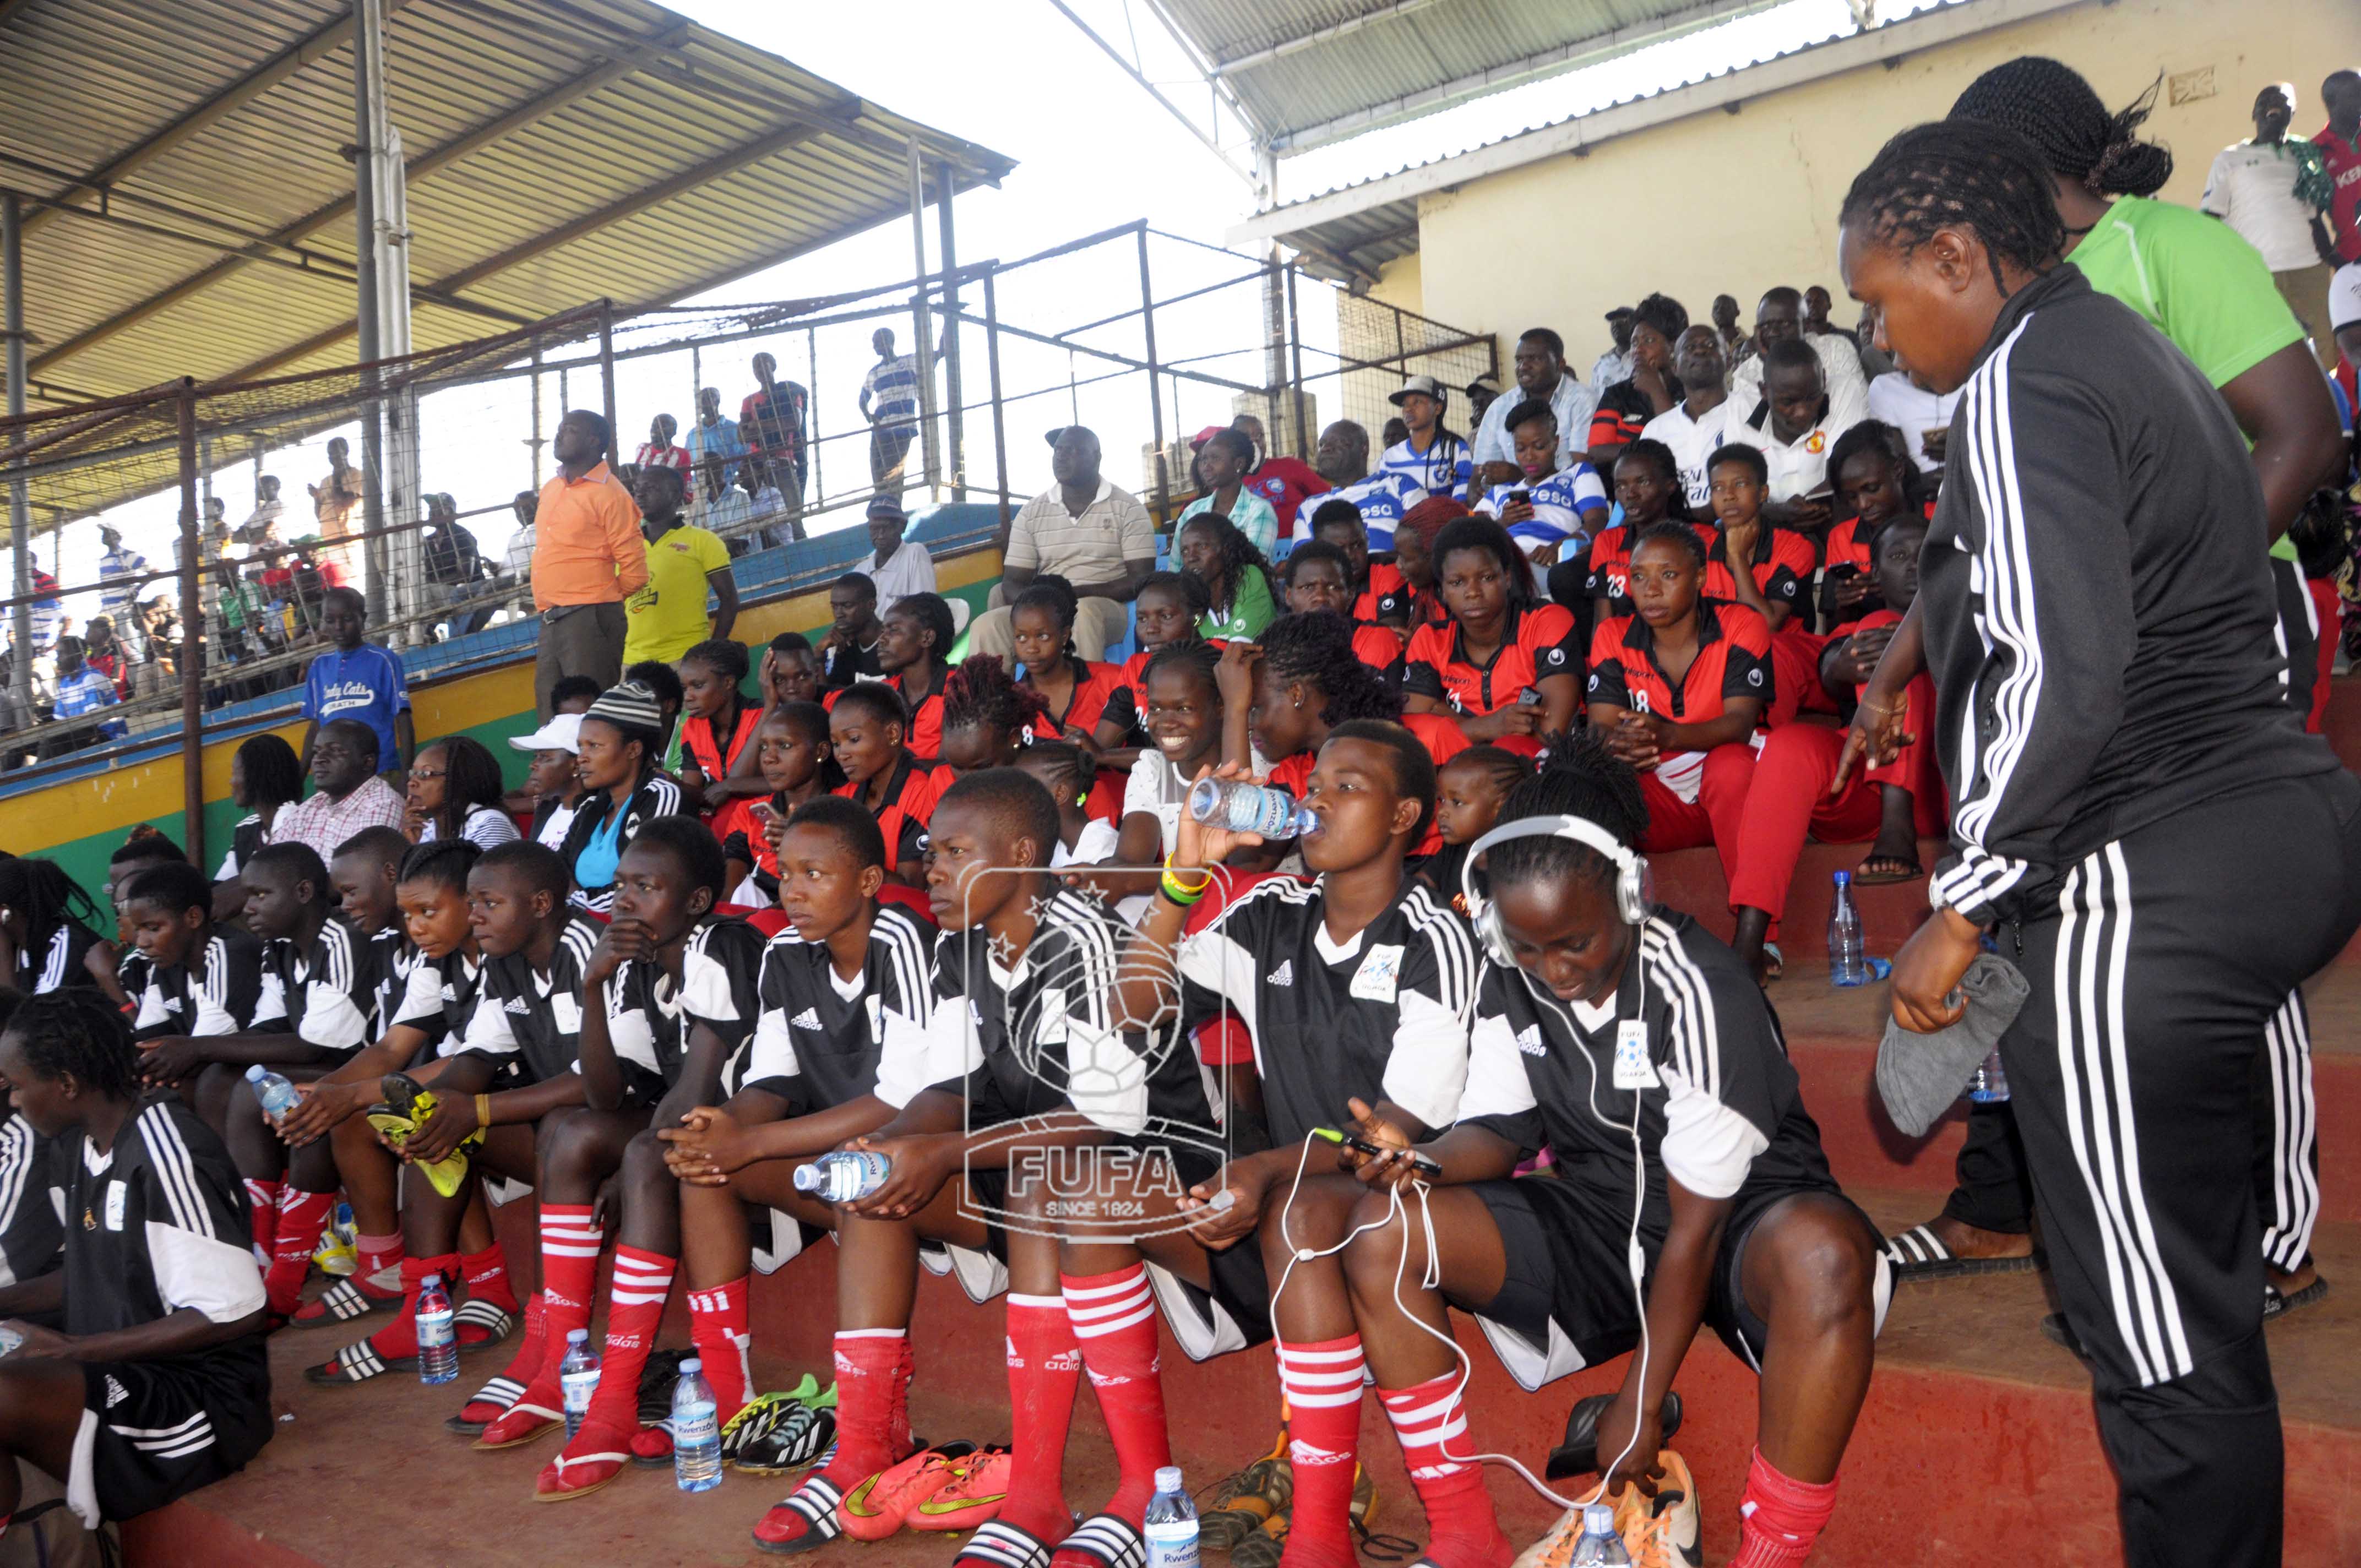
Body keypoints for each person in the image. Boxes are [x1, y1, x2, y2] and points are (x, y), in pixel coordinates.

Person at [1839, 118, 2361, 1565]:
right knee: (2183, 1280)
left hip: (2144, 868)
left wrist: (1966, 899)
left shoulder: (2019, 385)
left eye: (1886, 300)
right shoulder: (2125, 349)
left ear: (1958, 255)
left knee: (2152, 1333)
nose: (1885, 338)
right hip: (2272, 813)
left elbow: (2063, 668)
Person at [1300, 732, 1883, 1568]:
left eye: (1573, 943)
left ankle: (1773, 1553)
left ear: (1629, 895)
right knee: (1383, 1226)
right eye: (1529, 947)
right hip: (1608, 1214)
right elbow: (1500, 1132)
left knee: (1824, 1254)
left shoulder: (1701, 987)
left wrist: (1641, 1399)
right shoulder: (1513, 971)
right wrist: (1419, 1160)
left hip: (1743, 1226)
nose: (1555, 971)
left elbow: (1695, 1226)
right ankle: (1463, 1531)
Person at [744, 769, 1220, 1564]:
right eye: (930, 853)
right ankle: (863, 1448)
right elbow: (954, 1084)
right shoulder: (963, 942)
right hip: (1039, 1179)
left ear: (1023, 856)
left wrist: (944, 1152)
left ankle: (1040, 1493)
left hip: (1167, 1184)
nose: (931, 869)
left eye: (956, 853)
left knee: (1046, 1176)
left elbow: (1105, 1118)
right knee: (873, 1191)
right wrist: (897, 1143)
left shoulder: (1088, 940)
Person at [1096, 720, 1475, 1550]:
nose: (1318, 801)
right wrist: (1185, 877)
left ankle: (1321, 1527)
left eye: (1349, 787)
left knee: (1295, 1212)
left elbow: (1392, 1135)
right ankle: (1140, 1488)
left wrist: (1265, 1170)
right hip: (1292, 1191)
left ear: (1407, 814)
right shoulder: (1272, 911)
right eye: (1315, 787)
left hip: (1407, 1196)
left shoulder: (1436, 935)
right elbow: (1131, 1009)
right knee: (1094, 1194)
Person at [655, 798, 942, 1458]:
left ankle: (872, 1429)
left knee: (835, 1172)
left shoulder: (901, 942)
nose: (794, 891)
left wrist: (750, 1141)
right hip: (826, 1156)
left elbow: (899, 1099)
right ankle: (728, 1398)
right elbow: (775, 1081)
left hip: (913, 1160)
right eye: (786, 874)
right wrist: (723, 1126)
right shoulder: (784, 951)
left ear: (868, 882)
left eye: (815, 874)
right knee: (705, 1170)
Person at [307, 842, 600, 1403]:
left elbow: (602, 1080)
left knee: (487, 1120)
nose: (475, 915)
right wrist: (421, 1107)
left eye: (482, 901)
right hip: (545, 1120)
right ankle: (424, 1305)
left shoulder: (577, 947)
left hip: (607, 1125)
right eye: (473, 902)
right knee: (429, 1119)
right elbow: (469, 1057)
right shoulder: (501, 958)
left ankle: (537, 1335)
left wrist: (471, 1108)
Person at [531, 819, 766, 1498]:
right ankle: (560, 1359)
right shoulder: (637, 966)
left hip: (766, 1132)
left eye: (647, 887)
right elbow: (606, 1093)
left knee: (642, 1153)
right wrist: (594, 987)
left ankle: (614, 1397)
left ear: (694, 901)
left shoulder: (722, 944)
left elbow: (696, 1093)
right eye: (621, 885)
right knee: (576, 1132)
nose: (625, 901)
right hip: (702, 1139)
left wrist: (628, 1168)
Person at [0, 992, 274, 1535]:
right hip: (113, 1367)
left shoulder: (168, 1151)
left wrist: (74, 1348)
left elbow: (235, 1312)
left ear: (67, 1083)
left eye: (16, 1084)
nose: (12, 1101)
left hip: (200, 1402)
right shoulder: (71, 1145)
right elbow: (88, 1272)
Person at [269, 840, 516, 1334]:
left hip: (509, 1100)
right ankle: (380, 1267)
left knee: (423, 1121)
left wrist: (356, 1095)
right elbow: (390, 1050)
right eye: (408, 915)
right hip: (467, 1092)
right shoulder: (438, 959)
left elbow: (468, 1066)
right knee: (355, 1114)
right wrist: (324, 1093)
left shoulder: (504, 957)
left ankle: (486, 1286)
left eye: (429, 911)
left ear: (472, 902)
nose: (416, 926)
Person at [1728, 514, 1939, 981]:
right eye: (1898, 557)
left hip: (1944, 787)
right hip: (1863, 790)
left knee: (1899, 637)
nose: (1913, 567)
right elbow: (1827, 669)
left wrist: (1919, 648)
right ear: (1875, 573)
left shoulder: (1980, 620)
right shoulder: (1863, 625)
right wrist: (1845, 665)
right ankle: (1751, 937)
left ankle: (1897, 825)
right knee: (1789, 744)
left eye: (1925, 551)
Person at [198, 840, 387, 1319]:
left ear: (304, 892)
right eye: (247, 895)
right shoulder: (279, 950)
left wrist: (197, 1046)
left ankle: (282, 1276)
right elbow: (269, 1025)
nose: (250, 907)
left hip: (361, 1066)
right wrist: (206, 1055)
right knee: (223, 1078)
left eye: (261, 895)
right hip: (325, 1062)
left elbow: (318, 1045)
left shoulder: (342, 938)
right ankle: (255, 1256)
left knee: (281, 1095)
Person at [1586, 522, 1770, 903]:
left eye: (1668, 575)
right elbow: (1600, 726)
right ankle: (1617, 919)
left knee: (1732, 765)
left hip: (1733, 798)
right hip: (1658, 802)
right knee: (1592, 777)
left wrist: (1666, 735)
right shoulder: (1613, 634)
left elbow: (1740, 723)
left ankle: (1760, 933)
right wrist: (1622, 744)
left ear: (1701, 576)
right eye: (1639, 576)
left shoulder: (1739, 623)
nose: (1651, 590)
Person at [1403, 517, 1581, 754]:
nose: (1473, 592)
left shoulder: (1545, 622)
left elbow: (1548, 732)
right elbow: (1415, 737)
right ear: (1443, 591)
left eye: (1487, 578)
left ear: (1507, 578)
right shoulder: (1430, 639)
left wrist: (1448, 718)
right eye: (1457, 582)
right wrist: (1489, 726)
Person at [2204, 83, 2341, 368]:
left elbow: (2314, 216)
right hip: (2259, 271)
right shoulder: (2230, 158)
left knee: (2326, 351)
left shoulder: (2306, 156)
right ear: (2254, 114)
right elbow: (2210, 219)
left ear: (2293, 113)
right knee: (2266, 351)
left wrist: (2334, 260)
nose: (2273, 104)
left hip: (2309, 269)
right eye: (2264, 101)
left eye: (2282, 101)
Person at [530, 410, 648, 720]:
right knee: (550, 717)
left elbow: (635, 572)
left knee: (590, 717)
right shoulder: (552, 488)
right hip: (550, 618)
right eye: (560, 428)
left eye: (569, 429)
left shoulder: (611, 493)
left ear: (594, 441)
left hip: (589, 616)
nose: (559, 434)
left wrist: (597, 602)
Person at [1700, 443, 1820, 724]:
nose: (1728, 496)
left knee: (1769, 648)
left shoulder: (1795, 547)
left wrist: (1738, 557)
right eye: (1718, 488)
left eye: (1740, 484)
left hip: (1786, 662)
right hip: (1722, 661)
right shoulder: (1700, 548)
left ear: (1763, 493)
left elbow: (1766, 625)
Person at [559, 681, 687, 913]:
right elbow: (556, 869)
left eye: (594, 746)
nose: (582, 758)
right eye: (581, 747)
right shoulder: (590, 807)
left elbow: (634, 891)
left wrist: (574, 902)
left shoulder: (661, 797)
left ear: (633, 750)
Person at [1561, 439, 1709, 626]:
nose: (1630, 494)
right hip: (1623, 652)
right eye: (1621, 486)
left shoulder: (1702, 540)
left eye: (1643, 482)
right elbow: (1604, 626)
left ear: (1670, 485)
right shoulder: (1608, 541)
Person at [719, 701, 842, 902]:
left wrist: (802, 844)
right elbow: (730, 894)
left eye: (785, 746)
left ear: (821, 752)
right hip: (748, 922)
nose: (769, 758)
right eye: (763, 747)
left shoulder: (845, 808)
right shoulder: (749, 812)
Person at [1731, 338, 1856, 535]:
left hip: (1828, 527)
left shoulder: (1842, 392)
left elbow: (1847, 471)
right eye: (1788, 402)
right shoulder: (1739, 411)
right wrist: (1778, 513)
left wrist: (1806, 508)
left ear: (1823, 379)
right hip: (1768, 534)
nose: (1802, 412)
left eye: (1813, 397)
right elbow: (1734, 494)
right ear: (1764, 391)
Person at [620, 464, 737, 669]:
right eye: (637, 488)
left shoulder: (703, 541)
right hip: (631, 663)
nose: (640, 493)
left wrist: (711, 654)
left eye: (651, 488)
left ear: (674, 495)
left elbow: (729, 600)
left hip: (685, 659)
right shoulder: (626, 546)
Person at [829, 684, 942, 886]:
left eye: (853, 739)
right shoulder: (846, 795)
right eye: (836, 744)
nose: (842, 754)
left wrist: (839, 854)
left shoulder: (921, 792)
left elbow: (911, 890)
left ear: (893, 733)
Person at [1470, 400, 1607, 564]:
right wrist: (1503, 523)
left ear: (1555, 443)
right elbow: (1472, 536)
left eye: (1539, 446)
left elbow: (1598, 522)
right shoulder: (1500, 492)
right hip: (1503, 563)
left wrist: (1558, 548)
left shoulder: (1577, 475)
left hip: (1550, 564)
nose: (1529, 456)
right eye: (1520, 449)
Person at [1010, 580, 1136, 754]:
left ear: (1064, 635)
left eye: (1043, 636)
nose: (1031, 648)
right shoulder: (1011, 700)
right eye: (1021, 638)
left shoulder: (1112, 680)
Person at [1470, 330, 1596, 503]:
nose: (1523, 366)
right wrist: (1480, 498)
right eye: (1519, 360)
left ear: (1560, 364)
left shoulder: (1583, 400)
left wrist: (1520, 476)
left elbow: (1583, 474)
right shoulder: (1500, 408)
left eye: (1535, 359)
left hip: (1565, 505)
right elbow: (1478, 476)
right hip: (1506, 508)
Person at [1727, 286, 1868, 432]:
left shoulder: (1836, 349)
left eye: (1784, 324)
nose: (1774, 332)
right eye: (1765, 326)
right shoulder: (1746, 373)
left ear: (1806, 324)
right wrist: (1768, 363)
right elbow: (1756, 431)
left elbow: (1861, 406)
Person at [274, 718, 407, 865]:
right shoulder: (313, 805)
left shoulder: (382, 804)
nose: (319, 759)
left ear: (368, 762)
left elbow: (356, 876)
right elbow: (274, 864)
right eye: (317, 751)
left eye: (336, 751)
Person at [0, 858, 129, 1005]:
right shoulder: (22, 950)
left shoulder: (66, 943)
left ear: (5, 913)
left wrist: (2, 951)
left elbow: (33, 1024)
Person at [1416, 745, 1533, 906]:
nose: (1443, 811)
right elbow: (1420, 888)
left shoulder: (1515, 867)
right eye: (1441, 800)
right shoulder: (1453, 850)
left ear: (1500, 806)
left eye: (1457, 802)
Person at [1586, 293, 1689, 471]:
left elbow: (1681, 444)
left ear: (1673, 346)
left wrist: (1657, 391)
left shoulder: (1689, 390)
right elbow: (1597, 450)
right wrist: (1649, 453)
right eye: (1634, 342)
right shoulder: (1617, 394)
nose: (1638, 350)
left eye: (1649, 341)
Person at [1276, 543, 1406, 682]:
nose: (1321, 597)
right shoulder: (1276, 647)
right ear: (1289, 596)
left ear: (1350, 596)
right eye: (1308, 587)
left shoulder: (1376, 641)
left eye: (1333, 587)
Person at [213, 732, 304, 919]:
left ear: (257, 776)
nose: (231, 782)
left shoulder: (296, 820)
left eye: (235, 773)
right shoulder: (246, 829)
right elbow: (221, 883)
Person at [1640, 326, 1732, 509]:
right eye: (1690, 347)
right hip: (1673, 532)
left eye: (1711, 345)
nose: (1700, 350)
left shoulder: (1751, 412)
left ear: (1729, 361)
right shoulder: (1655, 430)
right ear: (1675, 367)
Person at [1300, 420, 1422, 551]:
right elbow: (1305, 563)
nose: (1326, 448)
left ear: (1364, 448)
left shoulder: (1400, 485)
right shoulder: (1309, 506)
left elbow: (1425, 538)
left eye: (1339, 442)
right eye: (1321, 445)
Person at [1176, 511, 1278, 641]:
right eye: (1185, 551)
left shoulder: (1249, 578)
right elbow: (1187, 636)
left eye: (1202, 546)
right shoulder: (1192, 598)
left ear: (1226, 549)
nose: (1191, 558)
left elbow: (1238, 653)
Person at [407, 736, 521, 850]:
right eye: (413, 773)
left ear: (459, 780)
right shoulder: (426, 829)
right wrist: (413, 846)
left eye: (424, 774)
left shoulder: (488, 823)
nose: (411, 783)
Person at [1180, 428, 1282, 556]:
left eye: (1215, 459)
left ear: (1239, 464)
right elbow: (1175, 565)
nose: (1206, 466)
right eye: (1203, 459)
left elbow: (1252, 567)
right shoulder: (1191, 512)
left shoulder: (1259, 511)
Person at [879, 593, 956, 759]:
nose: (882, 639)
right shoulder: (883, 694)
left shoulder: (959, 688)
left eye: (893, 630)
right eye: (883, 630)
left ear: (927, 638)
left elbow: (951, 766)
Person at [741, 353, 810, 535]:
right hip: (759, 467)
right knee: (764, 526)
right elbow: (743, 435)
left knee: (794, 518)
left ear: (773, 366)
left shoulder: (789, 391)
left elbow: (794, 424)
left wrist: (757, 425)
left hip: (783, 462)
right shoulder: (749, 401)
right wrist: (774, 426)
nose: (760, 370)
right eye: (756, 367)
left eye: (764, 365)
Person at [1308, 500, 1410, 625]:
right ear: (1320, 550)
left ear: (1366, 539)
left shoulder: (1385, 570)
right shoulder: (1307, 584)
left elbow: (1390, 634)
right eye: (1340, 549)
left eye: (1357, 545)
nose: (1351, 556)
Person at [1230, 413, 1331, 537]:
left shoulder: (1289, 466)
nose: (1256, 441)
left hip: (1301, 542)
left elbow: (1328, 497)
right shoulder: (1229, 481)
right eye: (1246, 437)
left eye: (1260, 435)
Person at [1378, 376, 1472, 500]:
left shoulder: (1456, 449)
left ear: (1438, 408)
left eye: (1417, 402)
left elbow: (1462, 502)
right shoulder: (1389, 458)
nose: (1408, 409)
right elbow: (1385, 502)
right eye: (1405, 404)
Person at [511, 711, 589, 851]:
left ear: (576, 764)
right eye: (536, 756)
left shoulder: (592, 816)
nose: (533, 765)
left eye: (544, 757)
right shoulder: (547, 810)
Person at [1864, 362, 1960, 476]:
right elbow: (1901, 466)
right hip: (1924, 485)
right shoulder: (1886, 387)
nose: (1898, 363)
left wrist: (1960, 452)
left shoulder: (1976, 378)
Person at [860, 327, 924, 488]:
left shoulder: (910, 362)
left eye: (878, 342)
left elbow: (939, 354)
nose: (875, 346)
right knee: (877, 470)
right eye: (874, 343)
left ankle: (893, 505)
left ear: (890, 342)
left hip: (903, 426)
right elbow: (862, 399)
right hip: (882, 427)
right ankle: (882, 503)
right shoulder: (875, 372)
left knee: (893, 472)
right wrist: (869, 416)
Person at [862, 494, 937, 619]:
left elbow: (923, 611)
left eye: (887, 528)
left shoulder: (914, 553)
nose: (880, 535)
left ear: (903, 527)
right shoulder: (862, 570)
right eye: (874, 528)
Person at [2315, 70, 2361, 271]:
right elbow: (2312, 216)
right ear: (2332, 103)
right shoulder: (2315, 152)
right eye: (2356, 94)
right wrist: (2334, 259)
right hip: (2353, 262)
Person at [47, 637, 124, 747]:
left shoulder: (91, 678)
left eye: (61, 654)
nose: (57, 659)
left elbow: (92, 723)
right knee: (26, 744)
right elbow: (60, 720)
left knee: (53, 739)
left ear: (77, 655)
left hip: (107, 736)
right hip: (82, 732)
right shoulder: (65, 683)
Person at [685, 387, 749, 514]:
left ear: (718, 401)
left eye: (708, 398)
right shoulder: (693, 434)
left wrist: (736, 479)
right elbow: (689, 464)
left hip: (729, 487)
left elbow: (745, 456)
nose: (704, 403)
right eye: (701, 400)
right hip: (701, 489)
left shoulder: (733, 428)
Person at [818, 573, 884, 692]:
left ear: (871, 605)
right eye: (834, 607)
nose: (839, 614)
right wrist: (819, 652)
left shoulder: (893, 643)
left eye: (847, 606)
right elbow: (829, 698)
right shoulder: (847, 646)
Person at [308, 436, 363, 578]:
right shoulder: (326, 481)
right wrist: (316, 498)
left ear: (346, 452)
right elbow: (319, 515)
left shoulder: (358, 475)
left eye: (336, 453)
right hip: (330, 541)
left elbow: (346, 502)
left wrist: (338, 478)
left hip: (349, 540)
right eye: (330, 454)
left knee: (354, 583)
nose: (333, 458)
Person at [95, 525, 150, 628]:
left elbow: (153, 572)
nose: (104, 535)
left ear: (118, 536)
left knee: (129, 642)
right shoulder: (104, 560)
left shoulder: (128, 555)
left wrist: (137, 590)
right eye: (104, 533)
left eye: (108, 533)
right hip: (106, 611)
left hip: (123, 608)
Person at [633, 413, 693, 484]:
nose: (654, 430)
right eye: (654, 426)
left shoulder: (681, 454)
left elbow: (686, 482)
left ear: (673, 432)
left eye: (661, 427)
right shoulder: (642, 448)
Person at [1590, 305, 1637, 392]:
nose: (1616, 324)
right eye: (1613, 321)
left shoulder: (1644, 358)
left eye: (1623, 320)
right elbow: (1594, 398)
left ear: (1635, 325)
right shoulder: (1601, 364)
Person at [1712, 292, 1747, 360]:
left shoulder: (1749, 343)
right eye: (1716, 308)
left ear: (1737, 312)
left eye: (1725, 307)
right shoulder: (1709, 344)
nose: (1719, 311)